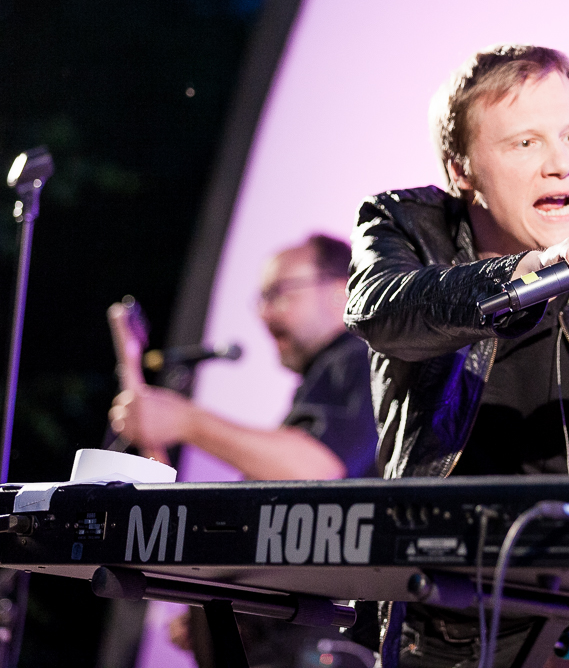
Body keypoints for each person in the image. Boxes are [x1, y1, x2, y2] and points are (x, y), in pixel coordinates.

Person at [345, 45, 569, 668]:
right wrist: (524, 277)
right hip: (431, 634)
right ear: (461, 170)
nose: (560, 164)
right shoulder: (411, 229)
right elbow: (381, 311)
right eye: (525, 143)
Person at [109, 233, 380, 668]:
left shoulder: (358, 358)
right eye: (261, 299)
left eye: (280, 293)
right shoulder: (323, 382)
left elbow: (316, 469)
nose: (264, 313)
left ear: (341, 290)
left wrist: (188, 422)